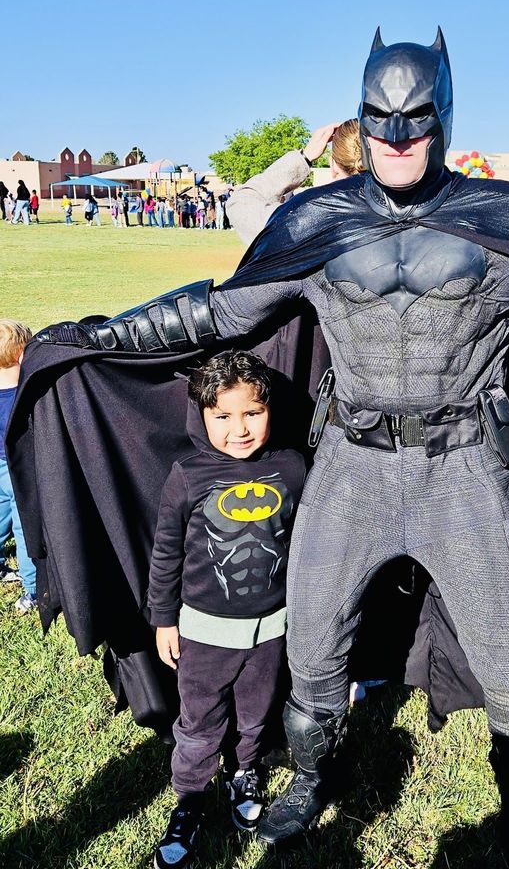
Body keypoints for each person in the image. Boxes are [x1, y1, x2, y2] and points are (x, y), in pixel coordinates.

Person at [16, 30, 509, 869]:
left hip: (465, 471)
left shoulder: (502, 222)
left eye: (413, 119)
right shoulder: (317, 222)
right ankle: (309, 775)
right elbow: (220, 315)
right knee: (313, 648)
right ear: (359, 119)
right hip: (349, 467)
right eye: (379, 120)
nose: (396, 137)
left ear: (443, 116)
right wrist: (102, 334)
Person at [149, 350, 304, 869]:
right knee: (199, 721)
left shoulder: (292, 466)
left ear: (269, 411)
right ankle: (190, 799)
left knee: (256, 712)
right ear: (203, 416)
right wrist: (163, 619)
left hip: (271, 630)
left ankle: (245, 772)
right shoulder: (188, 476)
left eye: (251, 413)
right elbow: (166, 551)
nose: (239, 429)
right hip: (204, 632)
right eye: (223, 416)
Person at [226, 120, 349, 247]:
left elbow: (239, 203)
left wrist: (305, 157)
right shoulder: (369, 214)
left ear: (333, 165)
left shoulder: (309, 216)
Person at [0, 320, 37, 612]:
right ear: (21, 354)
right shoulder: (27, 394)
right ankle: (33, 591)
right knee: (25, 527)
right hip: (18, 469)